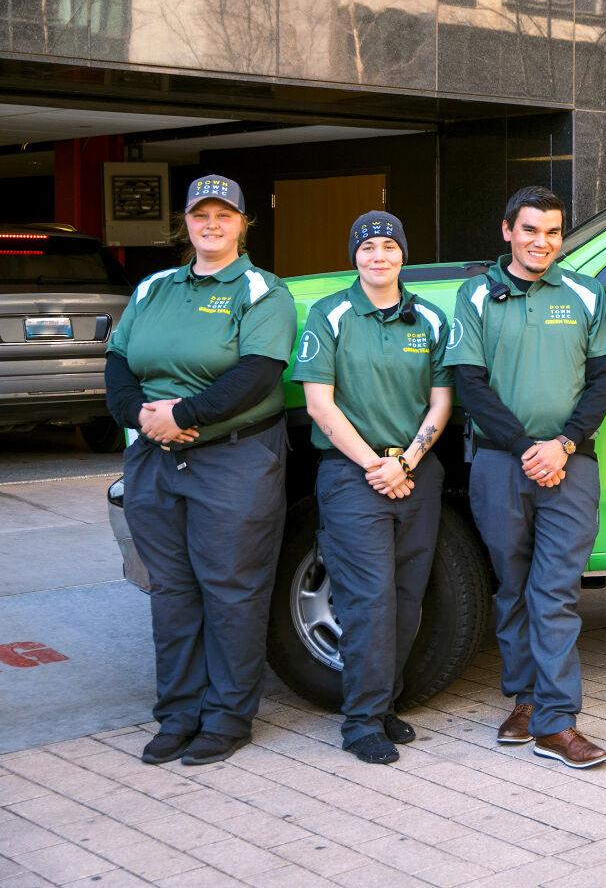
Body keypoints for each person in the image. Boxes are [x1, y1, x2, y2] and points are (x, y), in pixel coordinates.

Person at [104, 175, 297, 766]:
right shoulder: (154, 287)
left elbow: (258, 374)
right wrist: (140, 415)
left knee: (232, 590)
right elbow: (117, 360)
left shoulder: (263, 291)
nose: (211, 225)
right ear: (185, 223)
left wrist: (183, 414)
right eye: (200, 215)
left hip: (233, 459)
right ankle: (178, 713)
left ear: (243, 224)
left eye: (224, 215)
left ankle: (227, 718)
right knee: (171, 590)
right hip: (154, 458)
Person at [447, 186, 606, 768]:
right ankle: (524, 700)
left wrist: (564, 443)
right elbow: (469, 383)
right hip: (501, 463)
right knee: (513, 588)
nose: (542, 242)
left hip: (571, 464)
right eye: (530, 230)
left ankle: (556, 721)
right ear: (508, 232)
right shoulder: (475, 295)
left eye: (552, 232)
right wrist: (527, 448)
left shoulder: (584, 293)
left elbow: (602, 380)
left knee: (555, 593)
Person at [292, 211, 453, 764]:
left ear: (403, 254)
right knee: (368, 601)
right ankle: (360, 722)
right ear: (354, 257)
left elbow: (441, 401)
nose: (378, 256)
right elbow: (319, 404)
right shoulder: (330, 315)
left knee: (407, 598)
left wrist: (406, 462)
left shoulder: (429, 318)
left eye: (388, 245)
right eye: (367, 247)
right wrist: (375, 465)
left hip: (415, 473)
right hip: (351, 475)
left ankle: (384, 706)